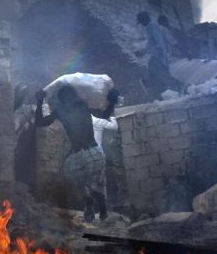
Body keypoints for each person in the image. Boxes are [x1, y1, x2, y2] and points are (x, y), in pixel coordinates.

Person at [35, 85, 119, 222]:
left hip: (90, 152)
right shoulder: (68, 109)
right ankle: (91, 205)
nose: (68, 100)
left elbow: (104, 115)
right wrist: (39, 102)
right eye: (65, 98)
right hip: (83, 154)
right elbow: (39, 123)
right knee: (78, 179)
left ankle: (99, 208)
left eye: (68, 97)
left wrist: (112, 101)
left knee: (91, 183)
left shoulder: (76, 107)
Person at [137, 11, 181, 93]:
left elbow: (159, 40)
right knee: (152, 66)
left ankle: (177, 87)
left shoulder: (153, 27)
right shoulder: (150, 28)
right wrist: (142, 52)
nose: (142, 24)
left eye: (141, 21)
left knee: (161, 72)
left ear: (145, 18)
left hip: (159, 55)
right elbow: (151, 44)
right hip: (157, 54)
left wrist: (160, 52)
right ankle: (154, 85)